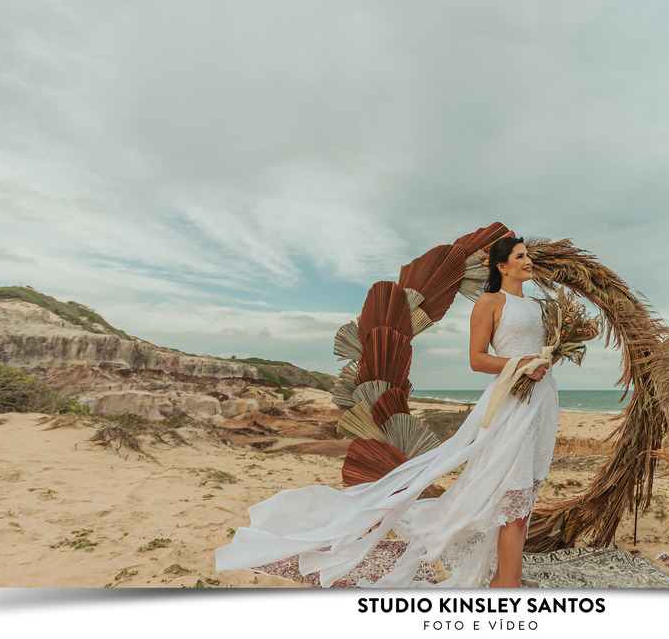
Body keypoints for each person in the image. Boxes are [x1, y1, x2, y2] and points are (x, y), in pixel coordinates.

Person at [215, 236, 587, 587]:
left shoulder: (538, 308)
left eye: (527, 255)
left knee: (522, 503)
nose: (528, 261)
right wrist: (520, 364)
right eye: (520, 256)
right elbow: (477, 360)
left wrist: (560, 349)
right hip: (510, 404)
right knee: (513, 504)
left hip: (541, 403)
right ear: (502, 266)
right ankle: (510, 590)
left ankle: (500, 583)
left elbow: (543, 355)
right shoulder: (489, 302)